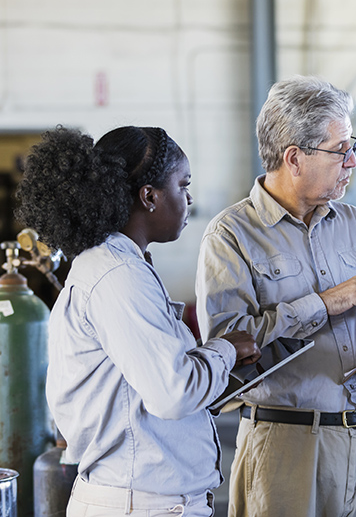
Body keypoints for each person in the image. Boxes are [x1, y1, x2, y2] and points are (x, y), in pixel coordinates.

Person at [195, 75, 356, 517]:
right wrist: (324, 303)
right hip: (284, 449)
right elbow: (229, 350)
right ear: (294, 157)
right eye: (341, 148)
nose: (353, 161)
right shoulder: (232, 235)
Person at [14, 126, 260, 517]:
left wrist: (213, 368)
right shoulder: (117, 275)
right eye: (183, 185)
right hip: (139, 505)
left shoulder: (123, 267)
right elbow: (172, 392)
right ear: (149, 196)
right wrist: (225, 349)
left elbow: (150, 387)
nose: (190, 198)